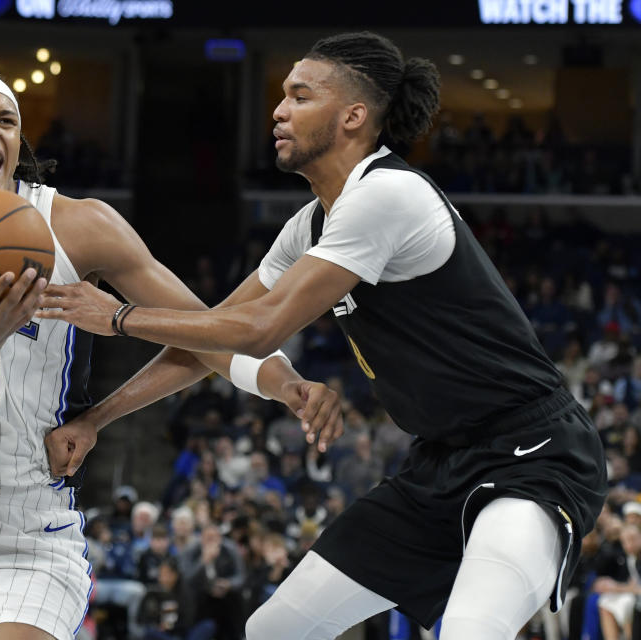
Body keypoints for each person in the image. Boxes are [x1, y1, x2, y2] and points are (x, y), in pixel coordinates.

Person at [38, 32, 607, 640]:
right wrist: (96, 419)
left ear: (353, 117)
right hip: (440, 463)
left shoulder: (388, 193)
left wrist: (119, 317)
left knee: (471, 632)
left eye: (299, 96)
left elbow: (259, 330)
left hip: (533, 452)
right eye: (282, 96)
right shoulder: (311, 224)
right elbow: (210, 342)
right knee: (274, 630)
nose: (279, 110)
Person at [0, 67, 335, 640]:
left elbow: (203, 333)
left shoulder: (80, 225)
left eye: (6, 120)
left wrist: (279, 381)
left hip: (27, 519)